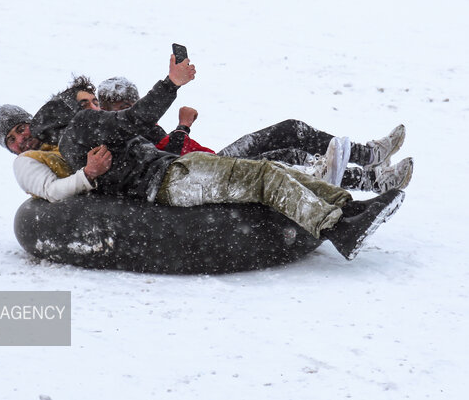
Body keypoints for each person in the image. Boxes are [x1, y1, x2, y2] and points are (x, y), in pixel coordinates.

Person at [48, 54, 406, 260]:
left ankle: (351, 208)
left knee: (272, 166)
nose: (94, 107)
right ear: (72, 113)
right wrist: (172, 85)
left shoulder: (93, 135)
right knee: (266, 175)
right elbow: (136, 121)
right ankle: (339, 228)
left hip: (179, 170)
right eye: (88, 104)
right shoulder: (86, 127)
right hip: (172, 178)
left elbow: (134, 136)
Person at [97, 76, 413, 194]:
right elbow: (164, 162)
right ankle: (368, 158)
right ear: (109, 108)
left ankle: (370, 177)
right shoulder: (118, 136)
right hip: (199, 173)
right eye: (123, 105)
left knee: (293, 156)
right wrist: (183, 127)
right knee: (289, 133)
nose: (132, 109)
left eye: (133, 102)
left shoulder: (140, 124)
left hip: (207, 162)